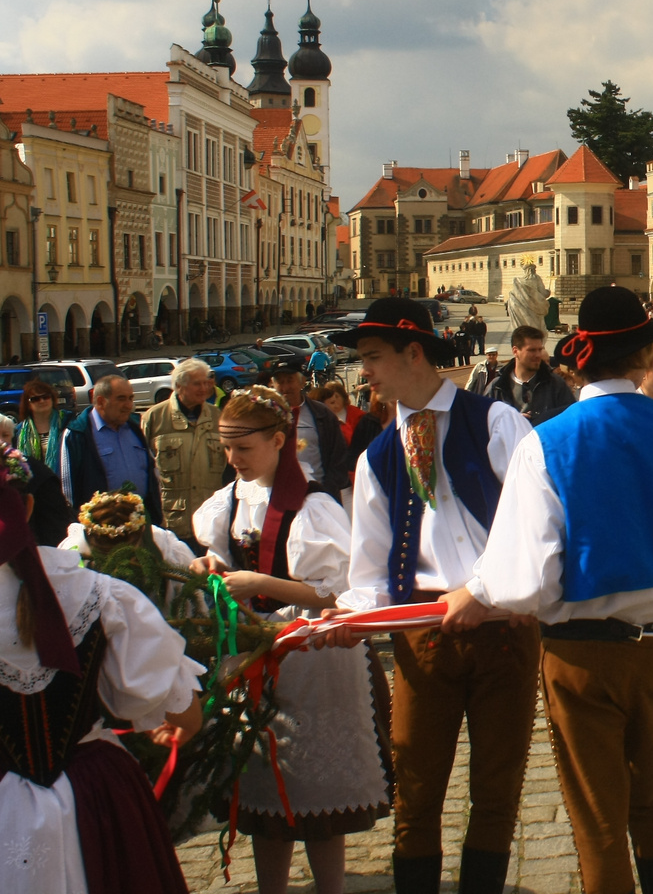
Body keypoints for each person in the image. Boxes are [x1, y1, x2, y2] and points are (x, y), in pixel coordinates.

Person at [467, 285, 653, 894]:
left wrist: (477, 590)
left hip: (581, 651)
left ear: (578, 361)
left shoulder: (547, 443)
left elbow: (525, 580)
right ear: (644, 356)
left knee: (598, 817)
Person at [327, 297, 536, 894]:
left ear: (413, 351)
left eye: (372, 358)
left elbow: (535, 528)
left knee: (497, 789)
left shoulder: (495, 423)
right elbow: (368, 572)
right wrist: (353, 618)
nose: (363, 372)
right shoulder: (379, 455)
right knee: (415, 789)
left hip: (505, 628)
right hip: (422, 634)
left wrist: (488, 590)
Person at [190, 387, 391, 894]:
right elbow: (222, 560)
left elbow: (335, 594)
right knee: (261, 787)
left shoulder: (312, 505)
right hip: (252, 658)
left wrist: (260, 584)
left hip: (312, 658)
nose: (233, 459)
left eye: (244, 448)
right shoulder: (228, 502)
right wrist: (210, 569)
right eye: (227, 448)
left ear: (280, 441)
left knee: (318, 795)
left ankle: (330, 887)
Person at [0, 480, 204, 894]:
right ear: (28, 508)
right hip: (94, 796)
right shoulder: (98, 593)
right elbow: (183, 712)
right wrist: (177, 724)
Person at [142, 358, 229, 551]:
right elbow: (143, 468)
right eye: (197, 383)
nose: (204, 388)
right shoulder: (155, 418)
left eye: (206, 382)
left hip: (211, 520)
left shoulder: (217, 417)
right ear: (179, 386)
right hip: (172, 523)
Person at [59, 376, 163, 528]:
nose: (129, 405)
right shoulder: (77, 434)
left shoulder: (134, 428)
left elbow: (151, 474)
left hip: (141, 525)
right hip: (99, 531)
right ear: (101, 401)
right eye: (121, 399)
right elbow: (67, 493)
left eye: (131, 398)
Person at [264, 364, 347, 500]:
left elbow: (338, 456)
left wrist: (327, 491)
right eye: (280, 382)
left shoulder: (322, 413)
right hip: (278, 498)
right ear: (273, 385)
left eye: (290, 380)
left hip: (319, 496)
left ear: (302, 382)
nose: (285, 387)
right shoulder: (265, 417)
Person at [488, 325, 576, 426]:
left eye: (540, 349)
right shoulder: (497, 387)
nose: (538, 355)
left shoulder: (556, 384)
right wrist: (512, 422)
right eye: (532, 350)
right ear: (515, 351)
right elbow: (485, 425)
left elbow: (571, 422)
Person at [16, 378, 69, 476]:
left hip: (64, 480)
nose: (42, 401)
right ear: (28, 404)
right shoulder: (20, 431)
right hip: (35, 485)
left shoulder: (68, 422)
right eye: (35, 399)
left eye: (46, 397)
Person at [315, 379, 366, 444]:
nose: (334, 400)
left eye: (337, 396)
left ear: (343, 396)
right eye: (330, 399)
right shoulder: (324, 417)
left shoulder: (356, 414)